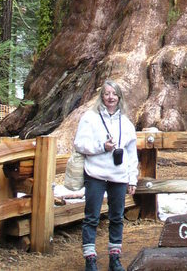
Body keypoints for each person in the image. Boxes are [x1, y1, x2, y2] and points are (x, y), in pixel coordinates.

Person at [74, 80, 138, 271]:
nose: (110, 98)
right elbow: (79, 144)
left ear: (119, 97)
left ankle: (114, 258)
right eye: (107, 94)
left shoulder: (126, 123)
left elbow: (131, 154)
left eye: (114, 94)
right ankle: (90, 259)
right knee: (92, 217)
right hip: (95, 173)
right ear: (102, 96)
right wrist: (102, 147)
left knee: (117, 217)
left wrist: (132, 178)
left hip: (118, 176)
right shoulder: (90, 118)